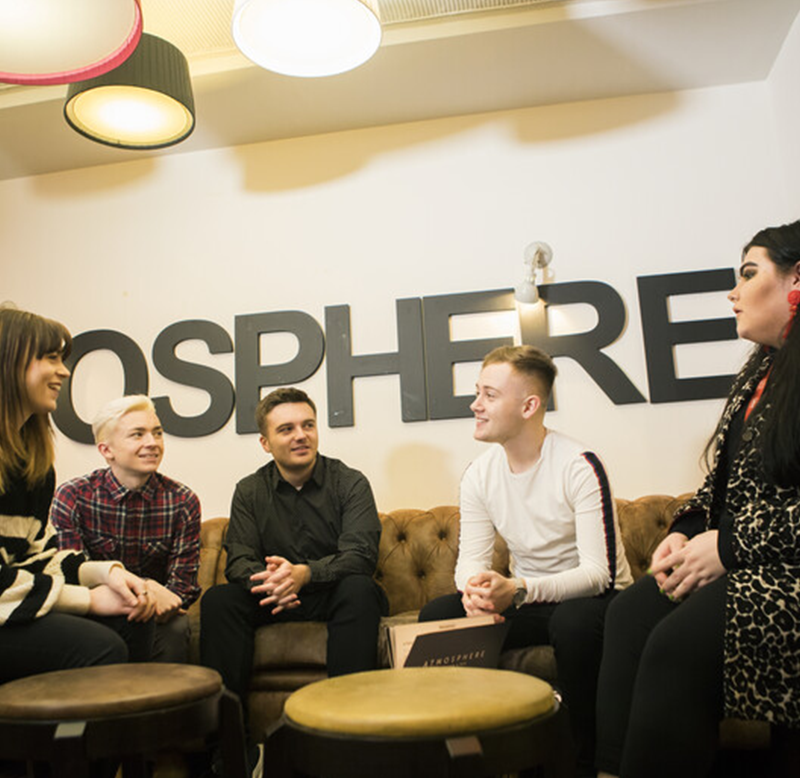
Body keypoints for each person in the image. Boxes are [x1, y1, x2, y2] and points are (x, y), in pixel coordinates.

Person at [595, 220, 800, 778]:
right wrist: (684, 532)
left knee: (677, 644)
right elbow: (719, 484)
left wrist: (728, 548)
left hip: (784, 573)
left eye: (749, 274)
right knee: (632, 613)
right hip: (747, 559)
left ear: (796, 280)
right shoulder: (760, 369)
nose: (734, 293)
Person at [419, 344, 632, 777]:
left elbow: (598, 574)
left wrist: (516, 589)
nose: (475, 404)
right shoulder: (480, 473)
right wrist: (475, 592)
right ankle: (466, 759)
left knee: (571, 623)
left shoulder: (579, 465)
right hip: (530, 597)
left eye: (489, 395)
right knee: (437, 614)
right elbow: (470, 561)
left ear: (530, 405)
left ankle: (583, 762)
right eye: (478, 392)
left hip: (597, 601)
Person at [200, 386, 387, 769]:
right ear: (266, 443)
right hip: (273, 599)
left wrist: (305, 574)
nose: (300, 435)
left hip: (334, 594)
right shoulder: (250, 491)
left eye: (308, 425)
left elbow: (360, 556)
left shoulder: (350, 483)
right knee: (219, 600)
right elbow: (239, 561)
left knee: (360, 588)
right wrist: (275, 583)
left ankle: (347, 739)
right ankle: (228, 750)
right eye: (286, 429)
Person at [0, 306, 156, 684]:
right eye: (50, 358)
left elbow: (40, 557)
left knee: (130, 624)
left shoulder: (33, 467)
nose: (65, 371)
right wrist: (88, 599)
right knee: (100, 647)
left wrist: (107, 573)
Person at [51, 395, 201, 663]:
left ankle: (164, 705)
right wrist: (146, 587)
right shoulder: (72, 496)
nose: (152, 443)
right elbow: (69, 573)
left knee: (177, 629)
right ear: (107, 450)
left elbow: (183, 587)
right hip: (94, 613)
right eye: (137, 435)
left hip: (157, 619)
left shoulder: (183, 500)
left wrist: (153, 597)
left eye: (157, 433)